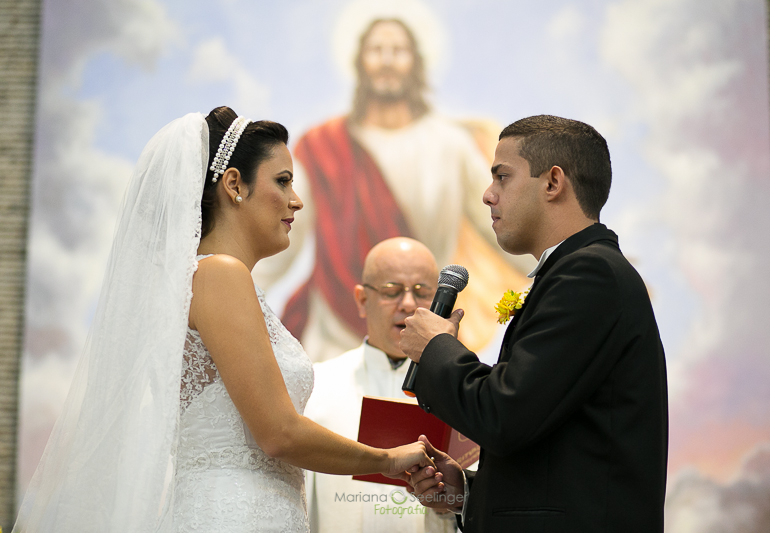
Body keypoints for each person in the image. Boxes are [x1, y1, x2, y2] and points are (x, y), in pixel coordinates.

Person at [13, 107, 434, 533]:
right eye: (283, 181)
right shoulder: (220, 275)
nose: (297, 200)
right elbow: (278, 433)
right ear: (235, 185)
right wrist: (388, 459)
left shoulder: (215, 280)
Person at [399, 115, 669, 532]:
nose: (488, 195)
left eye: (502, 177)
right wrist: (469, 492)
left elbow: (504, 415)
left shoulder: (589, 276)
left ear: (553, 182)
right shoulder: (578, 274)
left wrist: (437, 349)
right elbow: (550, 443)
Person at [252, 17, 529, 362]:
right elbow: (281, 242)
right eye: (376, 50)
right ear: (359, 61)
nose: (386, 60)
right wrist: (231, 282)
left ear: (415, 62)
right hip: (333, 340)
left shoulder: (450, 145)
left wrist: (559, 264)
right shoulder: (322, 146)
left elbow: (499, 225)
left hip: (421, 336)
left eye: (397, 51)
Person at [304, 237, 456, 533]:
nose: (408, 304)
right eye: (392, 291)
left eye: (422, 292)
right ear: (362, 300)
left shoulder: (462, 388)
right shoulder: (318, 384)